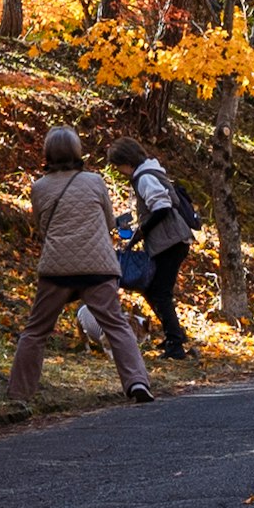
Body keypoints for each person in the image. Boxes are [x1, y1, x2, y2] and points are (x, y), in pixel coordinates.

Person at [10, 126, 155, 408]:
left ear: (47, 153)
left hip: (57, 268)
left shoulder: (39, 187)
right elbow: (110, 222)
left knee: (36, 331)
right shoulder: (95, 181)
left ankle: (18, 394)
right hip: (97, 266)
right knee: (116, 325)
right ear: (78, 152)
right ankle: (137, 382)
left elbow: (40, 226)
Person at [107, 138, 195, 359]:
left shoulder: (145, 178)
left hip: (170, 242)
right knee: (151, 288)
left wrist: (141, 232)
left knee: (159, 292)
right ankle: (174, 334)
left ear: (126, 162)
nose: (119, 171)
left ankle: (175, 344)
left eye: (118, 166)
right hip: (171, 241)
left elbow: (162, 207)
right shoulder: (149, 173)